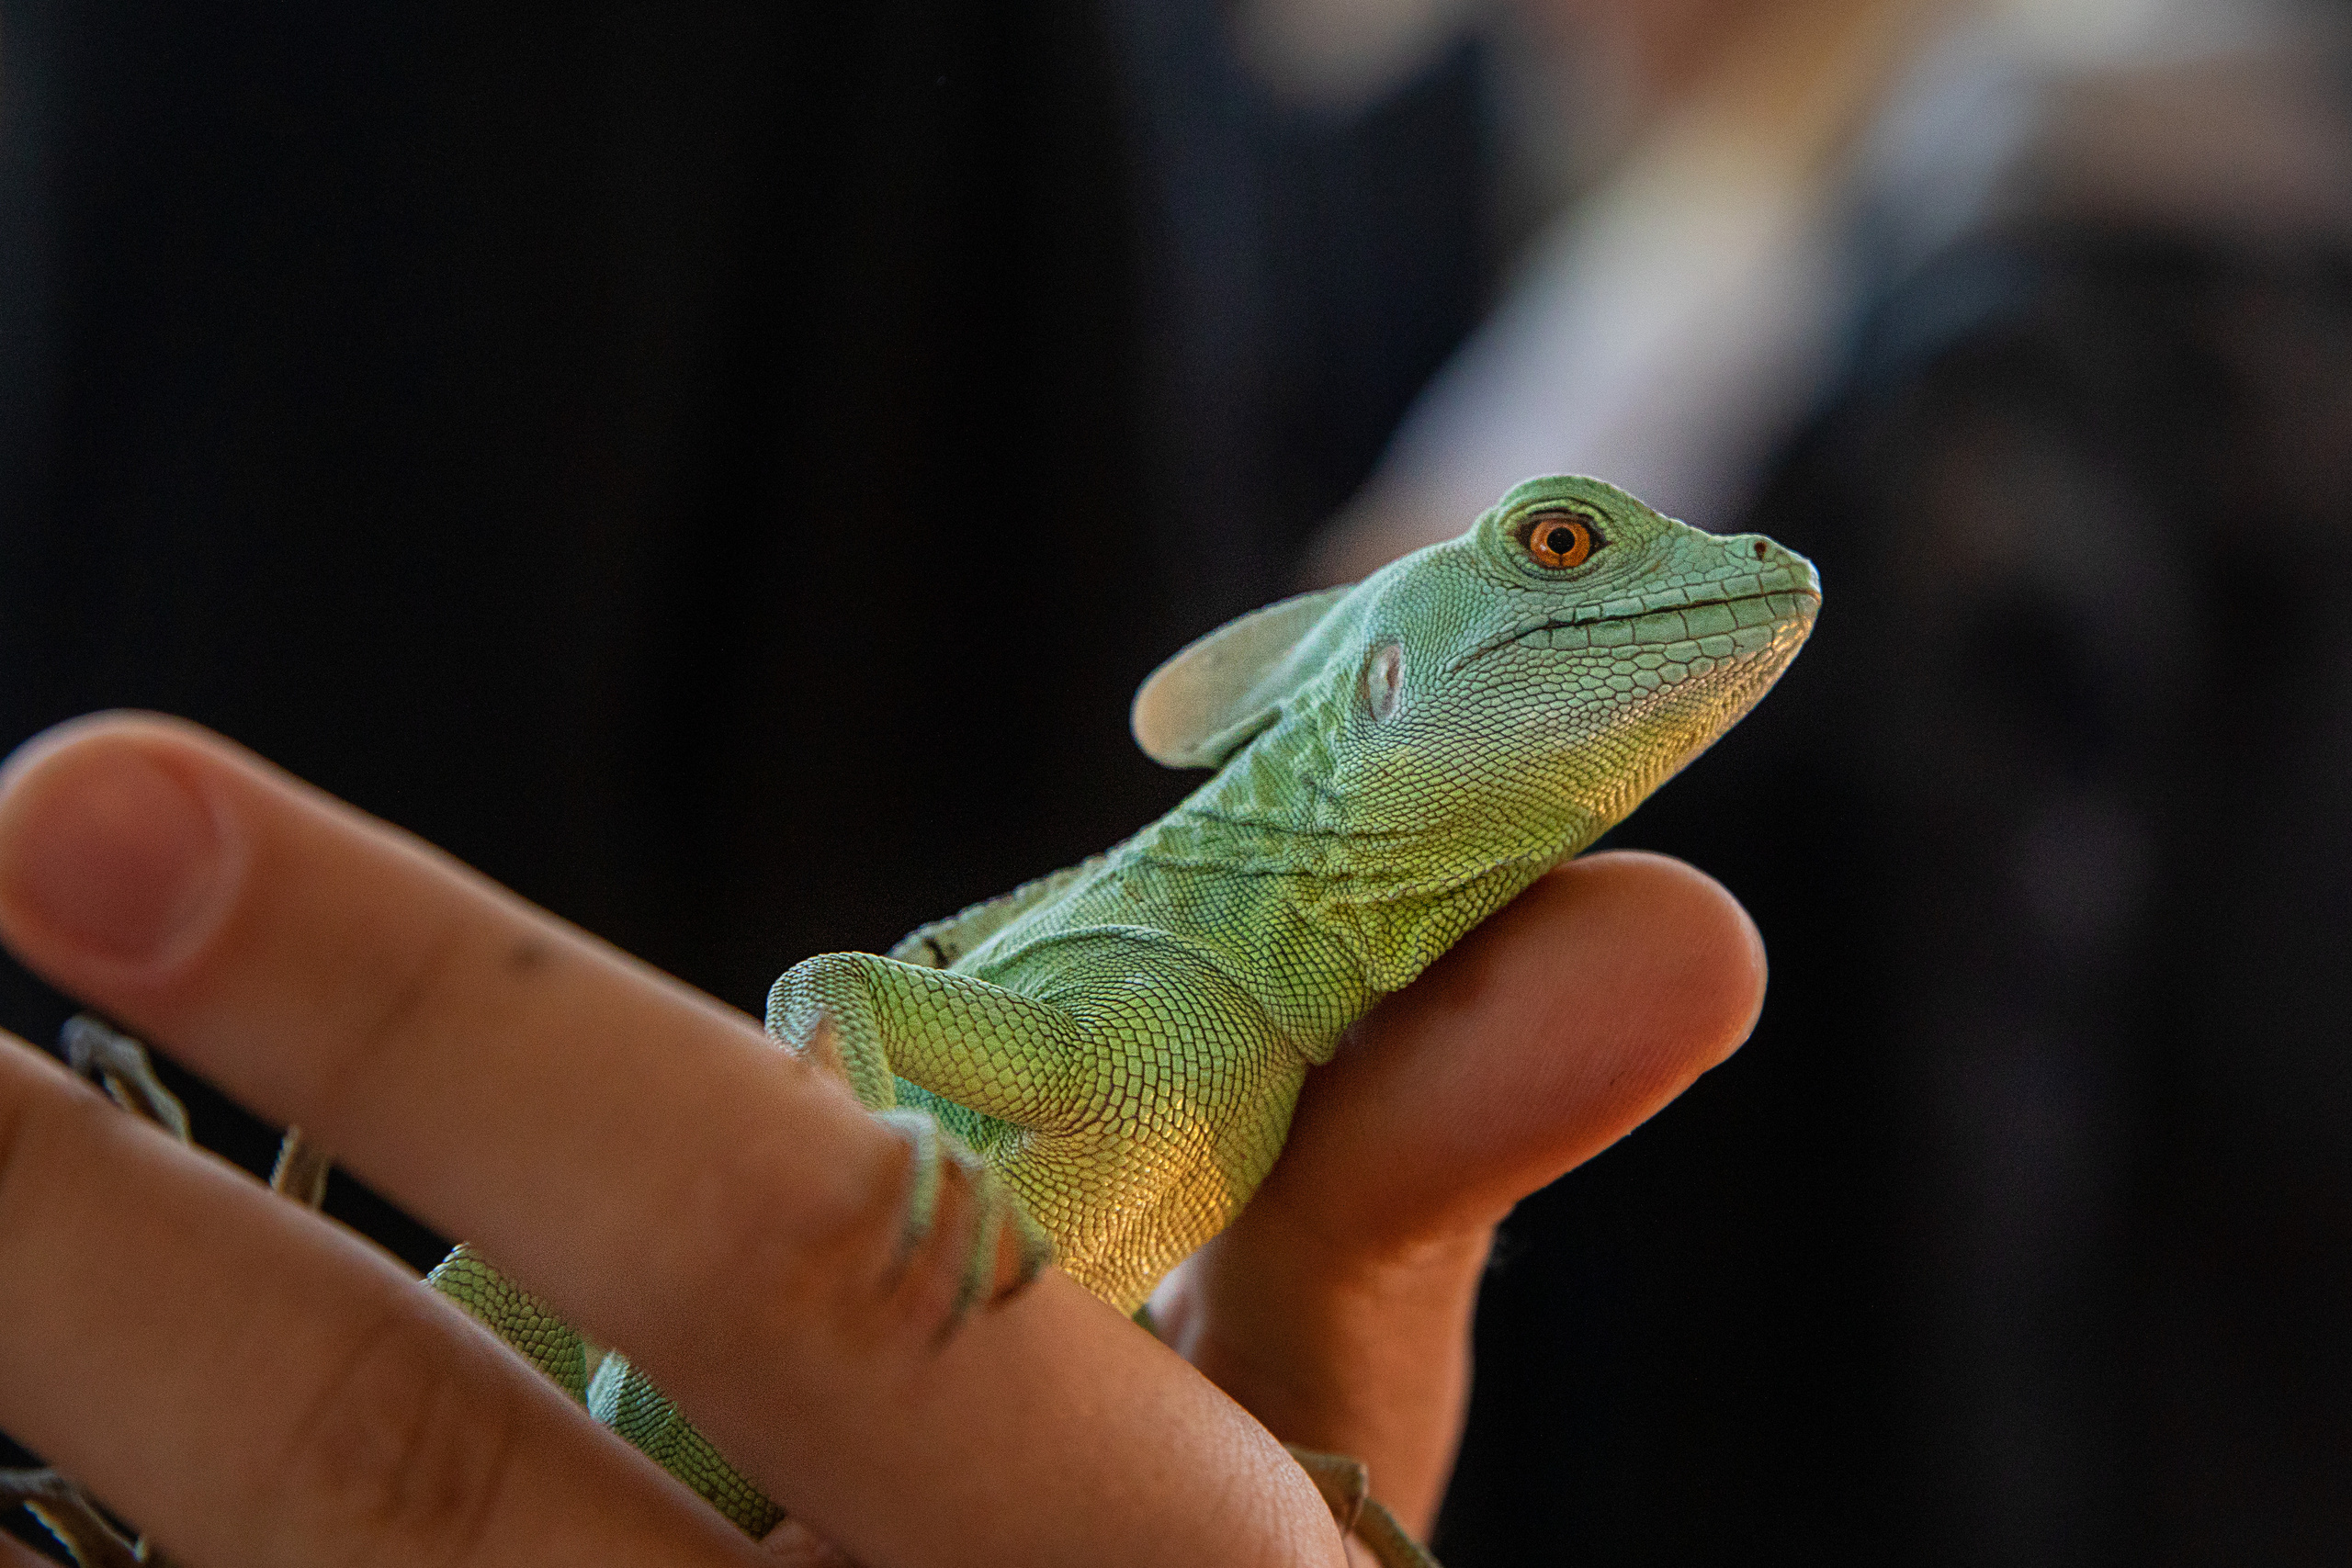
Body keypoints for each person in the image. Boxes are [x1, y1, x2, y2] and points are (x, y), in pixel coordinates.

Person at [0, 713, 1766, 1565]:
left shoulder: (1254, 1042)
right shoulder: (1158, 989)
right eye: (1559, 551)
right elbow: (838, 988)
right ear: (1382, 679)